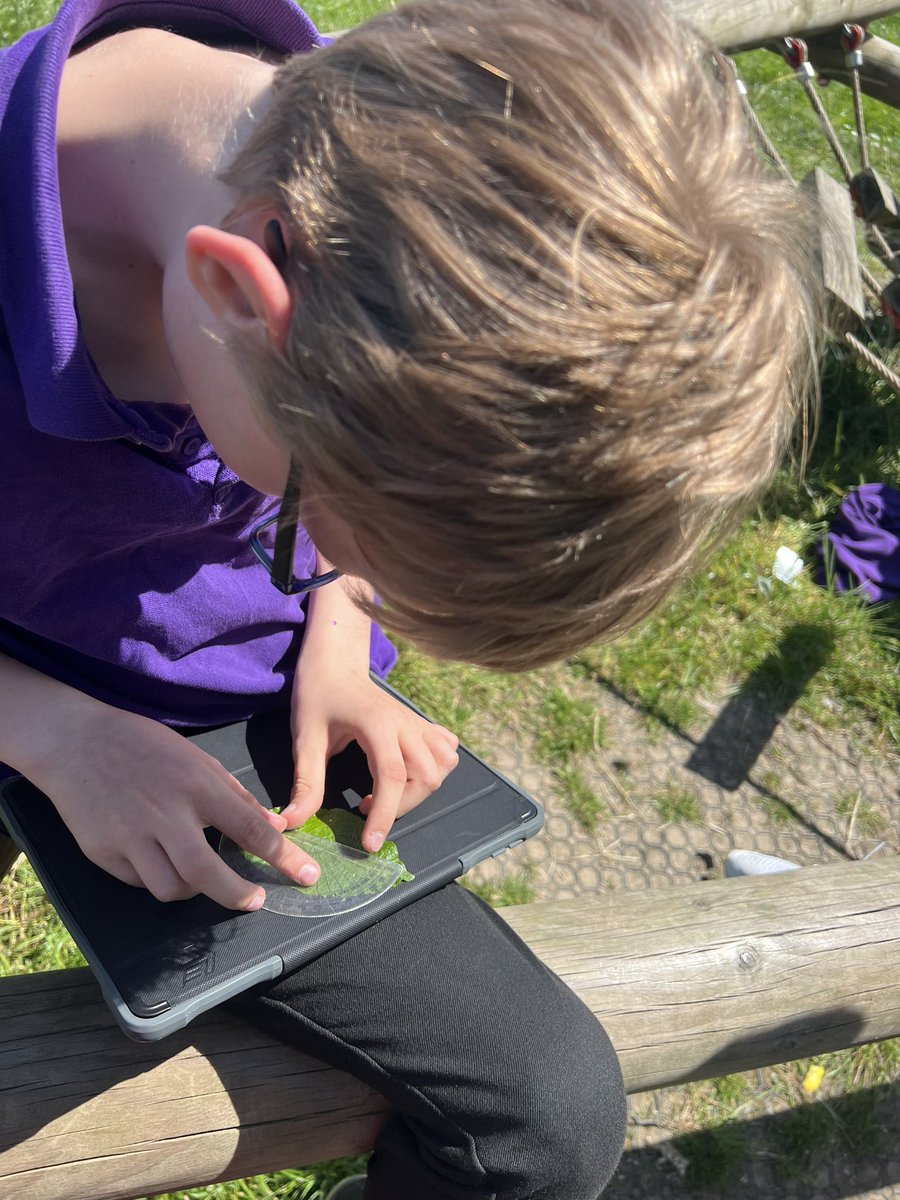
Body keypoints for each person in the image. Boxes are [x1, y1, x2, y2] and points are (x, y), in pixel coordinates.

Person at [0, 0, 817, 1195]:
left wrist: (335, 628)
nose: (341, 567)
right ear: (236, 295)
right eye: (314, 526)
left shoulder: (384, 165)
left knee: (545, 1117)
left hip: (237, 735)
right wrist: (55, 735)